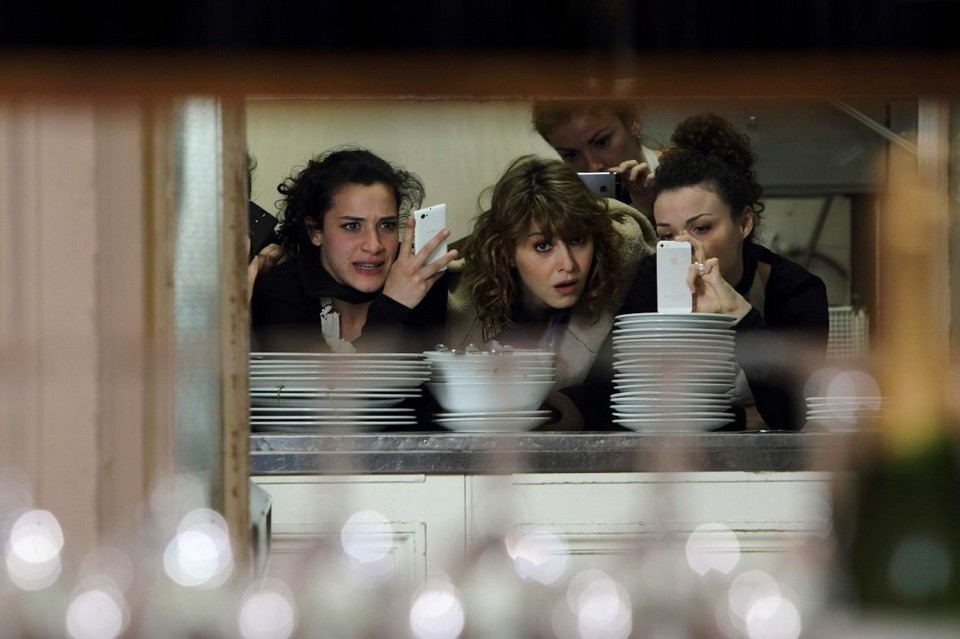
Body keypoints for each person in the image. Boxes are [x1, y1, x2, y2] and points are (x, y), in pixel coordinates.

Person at [614, 113, 829, 431]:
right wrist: (742, 419)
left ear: (744, 223)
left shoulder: (795, 290)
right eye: (667, 235)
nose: (685, 246)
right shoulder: (651, 278)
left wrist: (738, 312)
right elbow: (616, 400)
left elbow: (790, 414)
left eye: (701, 228)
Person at [446, 155, 655, 428]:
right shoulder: (461, 302)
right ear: (507, 252)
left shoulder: (624, 268)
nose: (567, 264)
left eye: (577, 240)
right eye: (543, 246)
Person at [250, 147, 457, 353]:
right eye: (352, 226)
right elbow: (329, 376)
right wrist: (393, 306)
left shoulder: (421, 284)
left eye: (387, 225)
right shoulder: (281, 289)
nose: (374, 246)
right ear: (316, 232)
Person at [531, 99, 660, 218]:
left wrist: (654, 205)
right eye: (571, 155)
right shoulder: (564, 206)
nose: (593, 167)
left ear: (632, 122)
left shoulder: (671, 173)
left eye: (602, 142)